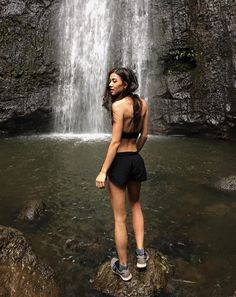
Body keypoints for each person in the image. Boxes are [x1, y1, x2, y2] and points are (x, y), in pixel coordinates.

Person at [95, 67, 149, 281]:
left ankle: (123, 267)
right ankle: (141, 255)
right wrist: (135, 153)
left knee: (120, 218)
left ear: (125, 84)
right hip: (136, 159)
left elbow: (115, 142)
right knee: (136, 206)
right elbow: (144, 135)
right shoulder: (143, 104)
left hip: (120, 162)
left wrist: (103, 171)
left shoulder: (118, 106)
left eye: (114, 81)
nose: (110, 84)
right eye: (109, 80)